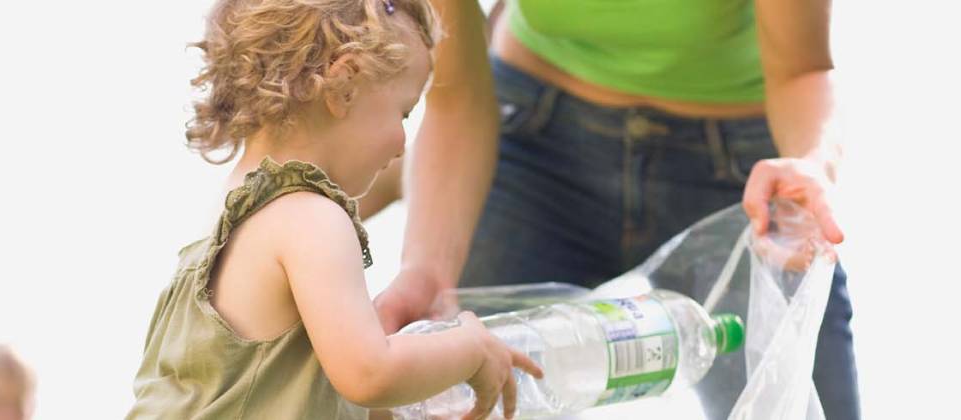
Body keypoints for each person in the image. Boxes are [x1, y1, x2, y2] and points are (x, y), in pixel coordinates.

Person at [363, 1, 860, 419]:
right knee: (461, 401)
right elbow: (457, 99)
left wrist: (810, 165)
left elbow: (802, 70)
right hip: (537, 142)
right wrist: (427, 269)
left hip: (736, 171)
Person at [126, 1, 543, 419]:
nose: (402, 144)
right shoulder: (311, 218)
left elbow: (292, 386)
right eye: (404, 112)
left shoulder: (230, 212)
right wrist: (470, 348)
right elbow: (369, 375)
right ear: (344, 85)